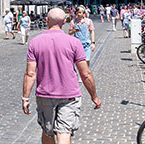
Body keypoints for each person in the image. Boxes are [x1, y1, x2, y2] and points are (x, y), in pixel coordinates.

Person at [22, 8, 101, 144]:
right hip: (69, 95)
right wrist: (94, 96)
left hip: (45, 94)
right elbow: (85, 73)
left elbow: (30, 73)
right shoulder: (74, 42)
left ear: (47, 20)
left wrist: (25, 97)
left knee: (48, 131)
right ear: (64, 22)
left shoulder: (35, 42)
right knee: (64, 132)